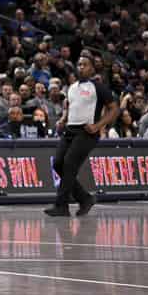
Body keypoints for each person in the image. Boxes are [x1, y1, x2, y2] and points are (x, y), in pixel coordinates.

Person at [45, 55, 117, 216]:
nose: (81, 67)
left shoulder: (98, 87)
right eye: (79, 64)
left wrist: (98, 126)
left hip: (87, 132)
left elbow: (114, 108)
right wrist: (63, 119)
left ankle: (61, 206)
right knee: (58, 164)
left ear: (92, 68)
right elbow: (70, 107)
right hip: (70, 130)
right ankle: (85, 198)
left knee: (69, 163)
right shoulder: (71, 87)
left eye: (85, 64)